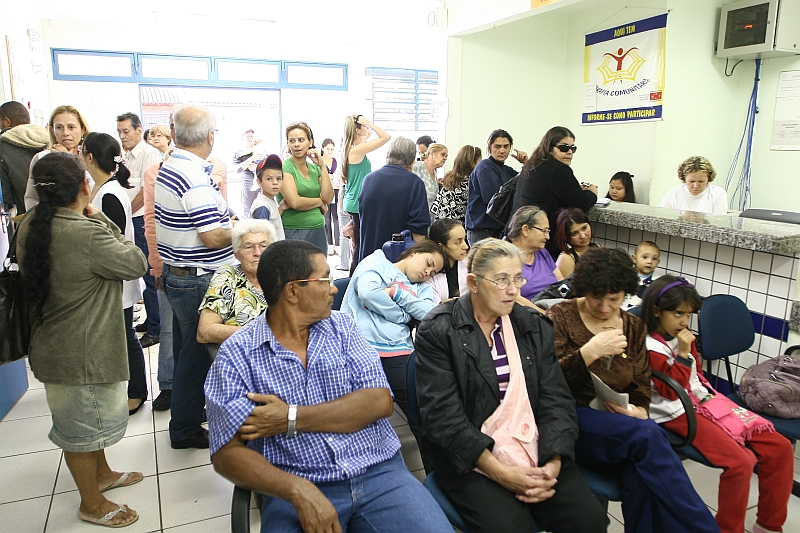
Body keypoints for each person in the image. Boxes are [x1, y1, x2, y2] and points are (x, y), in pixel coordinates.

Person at [205, 239, 452, 533]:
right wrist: (296, 490)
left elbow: (379, 402)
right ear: (293, 291)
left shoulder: (343, 328)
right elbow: (226, 454)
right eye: (325, 280)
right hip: (296, 481)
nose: (334, 289)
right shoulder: (238, 355)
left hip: (378, 473)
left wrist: (289, 419)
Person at [414, 238, 609, 533]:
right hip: (471, 456)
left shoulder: (531, 324)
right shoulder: (440, 330)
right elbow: (443, 418)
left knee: (589, 520)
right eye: (502, 280)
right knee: (509, 527)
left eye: (518, 279)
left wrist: (553, 462)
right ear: (474, 282)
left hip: (533, 444)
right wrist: (502, 473)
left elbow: (556, 399)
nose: (513, 290)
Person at [546, 247, 719, 533]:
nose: (603, 308)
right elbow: (545, 381)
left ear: (625, 294)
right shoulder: (561, 316)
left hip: (621, 425)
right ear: (583, 290)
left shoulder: (633, 326)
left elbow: (640, 382)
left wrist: (639, 408)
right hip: (569, 417)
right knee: (649, 434)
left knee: (639, 474)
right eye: (595, 298)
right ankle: (704, 527)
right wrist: (588, 353)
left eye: (613, 300)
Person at [18, 152, 148, 528]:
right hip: (82, 353)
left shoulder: (32, 224)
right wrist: (100, 215)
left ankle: (103, 474)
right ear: (83, 186)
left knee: (86, 422)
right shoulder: (85, 231)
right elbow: (135, 262)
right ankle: (90, 502)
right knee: (80, 430)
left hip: (55, 345)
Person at [642, 275, 793, 533]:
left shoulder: (682, 336)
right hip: (676, 411)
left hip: (704, 400)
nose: (684, 321)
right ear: (657, 310)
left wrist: (688, 354)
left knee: (780, 447)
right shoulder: (650, 345)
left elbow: (697, 377)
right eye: (678, 313)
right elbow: (669, 391)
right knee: (741, 463)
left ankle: (769, 525)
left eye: (688, 315)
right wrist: (683, 353)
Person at [155, 105, 234, 450]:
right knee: (198, 355)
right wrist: (245, 230)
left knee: (187, 348)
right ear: (210, 137)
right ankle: (185, 427)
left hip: (179, 273)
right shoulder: (193, 176)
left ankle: (185, 414)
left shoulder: (171, 166)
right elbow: (213, 237)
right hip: (198, 277)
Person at [341, 240, 444, 425]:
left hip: (399, 350)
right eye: (429, 263)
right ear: (415, 252)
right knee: (358, 415)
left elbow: (429, 312)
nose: (428, 273)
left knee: (424, 412)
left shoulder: (423, 288)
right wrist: (403, 316)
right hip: (359, 346)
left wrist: (395, 293)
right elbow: (368, 292)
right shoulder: (377, 262)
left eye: (433, 272)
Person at [81, 132, 148, 416]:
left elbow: (112, 243)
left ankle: (137, 392)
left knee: (126, 336)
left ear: (90, 157)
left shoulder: (108, 193)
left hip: (116, 281)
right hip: (114, 280)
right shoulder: (107, 188)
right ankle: (132, 390)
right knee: (123, 335)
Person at [510, 126, 597, 260]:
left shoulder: (533, 164)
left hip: (519, 237)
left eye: (573, 148)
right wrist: (592, 192)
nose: (569, 152)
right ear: (550, 147)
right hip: (541, 241)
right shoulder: (559, 170)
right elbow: (581, 202)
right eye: (564, 148)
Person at [117, 112, 163, 349]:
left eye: (126, 131)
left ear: (138, 130)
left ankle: (156, 328)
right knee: (139, 273)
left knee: (149, 273)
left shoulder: (149, 154)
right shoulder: (124, 158)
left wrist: (124, 212)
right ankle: (150, 319)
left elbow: (146, 192)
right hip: (130, 221)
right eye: (120, 132)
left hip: (140, 221)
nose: (123, 136)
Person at [197, 219, 275, 345]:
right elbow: (205, 331)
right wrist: (260, 333)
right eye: (249, 246)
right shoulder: (227, 276)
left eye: (263, 245)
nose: (257, 253)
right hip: (243, 357)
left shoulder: (283, 276)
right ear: (236, 253)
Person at [357, 137, 431, 261]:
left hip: (368, 258)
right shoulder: (414, 183)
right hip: (396, 261)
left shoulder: (369, 179)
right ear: (412, 160)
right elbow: (418, 232)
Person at [142, 150, 173, 412]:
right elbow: (151, 223)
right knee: (169, 327)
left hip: (204, 266)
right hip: (168, 263)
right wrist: (157, 267)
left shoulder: (212, 168)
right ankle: (169, 385)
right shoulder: (154, 173)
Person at [340, 114, 391, 274]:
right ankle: (353, 281)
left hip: (354, 202)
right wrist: (367, 121)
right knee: (361, 247)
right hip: (357, 202)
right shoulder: (355, 150)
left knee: (360, 245)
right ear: (357, 129)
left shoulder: (353, 148)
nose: (368, 129)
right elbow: (385, 136)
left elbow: (370, 136)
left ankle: (355, 278)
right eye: (364, 126)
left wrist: (364, 128)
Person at [465, 129, 528, 245]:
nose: (502, 150)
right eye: (497, 147)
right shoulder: (484, 167)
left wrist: (527, 164)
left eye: (506, 146)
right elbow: (495, 202)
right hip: (483, 231)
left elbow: (525, 184)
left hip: (498, 231)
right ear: (490, 148)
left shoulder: (506, 170)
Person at [278, 122, 333, 252]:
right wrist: (320, 202)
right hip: (294, 230)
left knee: (318, 271)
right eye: (292, 141)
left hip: (318, 228)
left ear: (310, 142)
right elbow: (295, 202)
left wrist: (322, 166)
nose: (296, 144)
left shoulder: (315, 168)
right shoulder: (285, 167)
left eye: (301, 140)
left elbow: (329, 197)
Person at [24, 105, 91, 210]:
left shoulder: (91, 157)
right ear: (52, 130)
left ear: (82, 129)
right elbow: (31, 197)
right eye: (59, 127)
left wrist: (68, 160)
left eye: (71, 127)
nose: (65, 133)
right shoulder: (41, 158)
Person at [0, 101, 49, 215]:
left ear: (7, 121)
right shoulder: (46, 138)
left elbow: (6, 194)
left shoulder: (3, 145)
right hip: (57, 213)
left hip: (27, 215)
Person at [507, 206, 563, 303]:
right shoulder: (507, 259)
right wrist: (544, 313)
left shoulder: (543, 253)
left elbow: (561, 284)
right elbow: (516, 301)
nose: (548, 237)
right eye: (544, 231)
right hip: (530, 314)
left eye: (548, 231)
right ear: (526, 230)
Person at [431, 144, 481, 224]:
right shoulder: (470, 183)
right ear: (472, 163)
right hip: (456, 229)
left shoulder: (448, 179)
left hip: (439, 226)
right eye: (479, 162)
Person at [660, 156, 728, 215]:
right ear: (684, 178)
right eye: (691, 181)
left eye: (701, 181)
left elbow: (719, 223)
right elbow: (661, 221)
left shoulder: (717, 193)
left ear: (708, 179)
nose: (695, 186)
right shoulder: (672, 196)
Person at [426, 218, 469, 305]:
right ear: (441, 247)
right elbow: (436, 306)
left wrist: (451, 301)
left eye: (464, 240)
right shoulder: (428, 272)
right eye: (458, 242)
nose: (466, 246)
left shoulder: (470, 266)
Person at [250, 154, 285, 240]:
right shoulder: (262, 207)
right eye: (269, 179)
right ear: (259, 182)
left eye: (278, 178)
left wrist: (281, 208)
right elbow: (262, 239)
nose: (275, 182)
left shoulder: (269, 200)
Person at [554, 208, 597, 278]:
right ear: (566, 237)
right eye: (574, 233)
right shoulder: (566, 259)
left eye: (584, 228)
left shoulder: (599, 248)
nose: (583, 236)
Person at [412, 142, 447, 222]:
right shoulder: (417, 167)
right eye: (442, 154)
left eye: (446, 156)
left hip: (430, 219)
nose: (445, 158)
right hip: (417, 218)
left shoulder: (434, 172)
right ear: (432, 153)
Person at [623, 241, 661, 310]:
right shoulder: (625, 276)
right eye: (645, 257)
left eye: (654, 259)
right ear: (634, 259)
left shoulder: (658, 282)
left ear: (658, 262)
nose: (650, 262)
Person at [320, 138, 341, 255]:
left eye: (332, 149)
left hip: (336, 190)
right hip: (324, 191)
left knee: (336, 218)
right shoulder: (319, 161)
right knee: (326, 219)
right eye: (328, 149)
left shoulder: (336, 161)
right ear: (323, 148)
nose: (330, 151)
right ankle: (329, 244)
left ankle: (338, 244)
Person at [235, 128, 260, 217]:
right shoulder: (239, 152)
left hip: (260, 180)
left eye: (251, 136)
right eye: (247, 136)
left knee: (260, 204)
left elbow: (267, 165)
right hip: (247, 181)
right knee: (248, 206)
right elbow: (238, 169)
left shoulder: (259, 148)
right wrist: (251, 159)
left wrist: (256, 167)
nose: (250, 138)